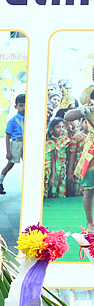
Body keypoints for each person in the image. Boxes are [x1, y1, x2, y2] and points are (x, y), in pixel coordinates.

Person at [67, 68, 94, 227]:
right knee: (89, 188)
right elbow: (67, 116)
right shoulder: (88, 99)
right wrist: (88, 109)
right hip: (92, 150)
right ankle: (90, 223)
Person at [0, 93, 26, 195]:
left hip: (26, 143)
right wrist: (8, 151)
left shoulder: (30, 119)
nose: (23, 108)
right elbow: (7, 137)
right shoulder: (12, 121)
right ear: (15, 106)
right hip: (16, 144)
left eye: (26, 105)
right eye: (21, 105)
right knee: (10, 164)